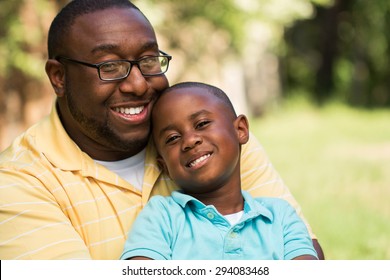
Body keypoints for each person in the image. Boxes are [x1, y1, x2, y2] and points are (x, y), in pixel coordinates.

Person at [0, 0, 324, 260]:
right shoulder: (17, 184)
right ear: (59, 77)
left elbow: (304, 250)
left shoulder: (211, 138)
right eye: (109, 66)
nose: (138, 84)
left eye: (149, 60)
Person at [120, 82, 318, 260]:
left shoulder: (280, 216)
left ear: (240, 130)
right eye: (172, 138)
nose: (189, 141)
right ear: (164, 166)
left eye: (202, 124)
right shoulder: (161, 217)